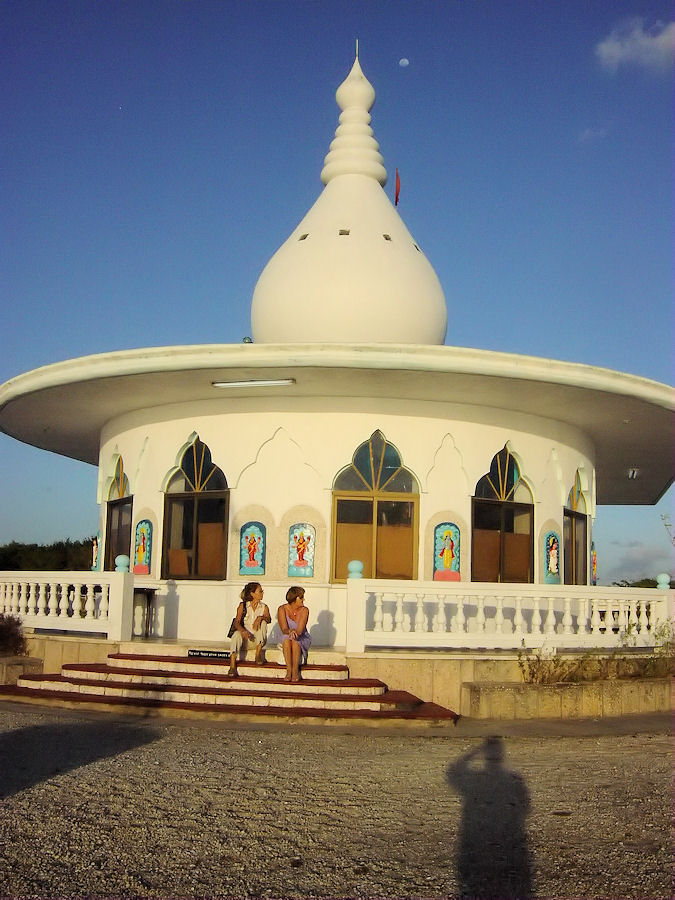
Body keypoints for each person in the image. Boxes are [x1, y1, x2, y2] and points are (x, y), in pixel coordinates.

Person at [228, 582, 271, 676]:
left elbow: (268, 619)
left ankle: (258, 654)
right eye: (260, 591)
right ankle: (232, 665)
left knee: (263, 623)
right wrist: (242, 631)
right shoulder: (243, 606)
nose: (262, 593)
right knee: (236, 635)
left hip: (257, 640)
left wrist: (260, 618)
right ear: (252, 593)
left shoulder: (264, 607)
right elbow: (237, 622)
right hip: (244, 639)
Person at [277, 585, 311, 682]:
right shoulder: (282, 609)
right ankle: (289, 670)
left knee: (295, 640)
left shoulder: (305, 610)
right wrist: (290, 631)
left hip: (301, 636)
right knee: (287, 639)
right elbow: (284, 628)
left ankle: (295, 671)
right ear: (294, 598)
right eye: (301, 598)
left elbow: (300, 630)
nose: (303, 600)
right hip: (286, 634)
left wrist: (295, 632)